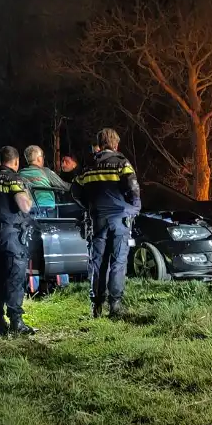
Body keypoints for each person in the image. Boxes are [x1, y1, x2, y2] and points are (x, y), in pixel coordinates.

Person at [72, 128, 141, 318]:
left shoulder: (88, 166)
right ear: (115, 144)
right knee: (118, 261)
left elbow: (75, 189)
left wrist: (88, 205)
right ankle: (115, 305)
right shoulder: (121, 163)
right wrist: (134, 208)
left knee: (97, 261)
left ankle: (96, 305)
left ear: (100, 144)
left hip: (97, 219)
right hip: (120, 219)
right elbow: (133, 188)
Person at [0, 147, 38, 337]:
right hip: (13, 236)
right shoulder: (15, 179)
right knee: (15, 278)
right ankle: (16, 322)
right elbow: (25, 207)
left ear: (0, 159)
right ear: (16, 161)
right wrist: (26, 196)